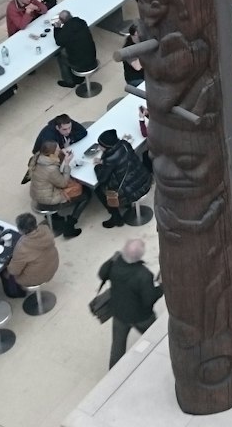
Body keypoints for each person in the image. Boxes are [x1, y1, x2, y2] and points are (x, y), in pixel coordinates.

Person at [98, 238, 163, 368]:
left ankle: (113, 375)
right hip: (141, 317)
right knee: (155, 338)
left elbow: (102, 274)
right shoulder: (144, 274)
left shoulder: (115, 262)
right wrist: (161, 287)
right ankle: (159, 362)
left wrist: (112, 259)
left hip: (119, 313)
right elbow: (148, 300)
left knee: (117, 347)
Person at [27, 139, 90, 235]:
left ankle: (55, 218)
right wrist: (67, 164)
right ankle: (70, 225)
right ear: (52, 154)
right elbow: (63, 183)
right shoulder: (51, 169)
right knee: (86, 195)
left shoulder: (39, 158)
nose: (60, 150)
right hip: (49, 201)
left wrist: (63, 155)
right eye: (58, 150)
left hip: (38, 195)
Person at [94, 128, 151, 229]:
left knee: (99, 189)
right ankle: (125, 206)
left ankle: (116, 217)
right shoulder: (124, 144)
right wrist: (104, 162)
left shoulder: (109, 158)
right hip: (144, 180)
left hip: (131, 191)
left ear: (106, 146)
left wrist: (97, 167)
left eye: (101, 145)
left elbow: (102, 178)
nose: (99, 147)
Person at [1, 211, 59, 300]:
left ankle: (17, 293)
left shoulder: (23, 247)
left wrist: (6, 271)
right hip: (53, 265)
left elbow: (14, 271)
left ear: (21, 230)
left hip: (36, 277)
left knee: (4, 271)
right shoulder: (45, 229)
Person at [53, 10, 98, 89]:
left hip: (81, 65)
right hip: (92, 57)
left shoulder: (66, 30)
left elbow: (59, 42)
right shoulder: (81, 22)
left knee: (61, 57)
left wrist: (57, 28)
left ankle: (69, 82)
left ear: (62, 20)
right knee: (75, 50)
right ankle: (78, 78)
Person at [121, 22, 145, 90]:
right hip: (135, 78)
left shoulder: (143, 41)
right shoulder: (127, 49)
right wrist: (143, 48)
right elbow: (137, 67)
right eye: (139, 35)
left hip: (146, 73)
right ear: (133, 35)